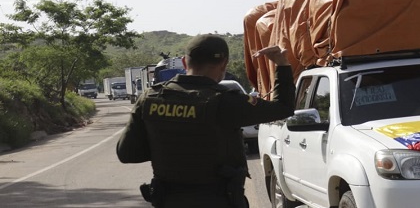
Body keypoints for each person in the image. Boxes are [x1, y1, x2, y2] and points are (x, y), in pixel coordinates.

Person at [116, 34, 296, 207]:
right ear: (224, 63)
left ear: (185, 62)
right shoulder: (226, 102)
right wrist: (282, 64)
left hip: (168, 200)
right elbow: (283, 108)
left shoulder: (151, 97)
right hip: (218, 200)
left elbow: (127, 153)